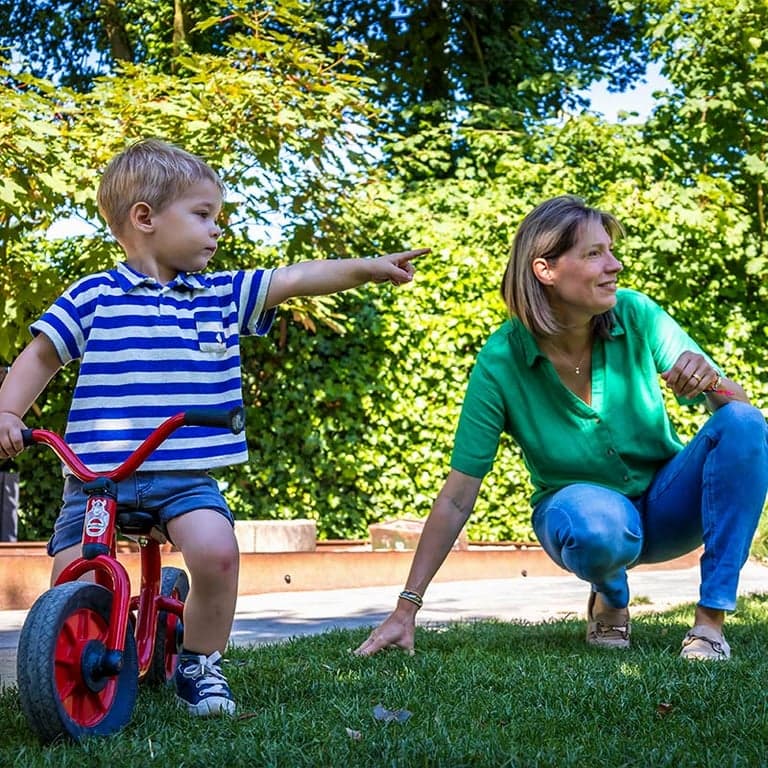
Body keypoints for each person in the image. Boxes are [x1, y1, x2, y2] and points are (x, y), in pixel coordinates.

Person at [0, 138, 428, 716]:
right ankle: (75, 661)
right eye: (202, 215)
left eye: (216, 218)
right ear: (145, 219)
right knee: (71, 575)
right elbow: (42, 357)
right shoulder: (94, 296)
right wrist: (8, 414)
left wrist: (367, 270)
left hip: (183, 477)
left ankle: (200, 664)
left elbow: (295, 279)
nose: (216, 230)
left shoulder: (220, 295)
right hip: (96, 477)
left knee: (216, 553)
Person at [355, 194, 768, 662]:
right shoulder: (500, 361)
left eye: (610, 250)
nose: (615, 265)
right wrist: (407, 607)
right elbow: (456, 495)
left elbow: (743, 420)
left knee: (743, 422)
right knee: (595, 522)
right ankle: (611, 597)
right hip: (584, 519)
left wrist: (710, 381)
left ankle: (709, 625)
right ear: (545, 270)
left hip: (668, 506)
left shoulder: (637, 314)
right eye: (595, 253)